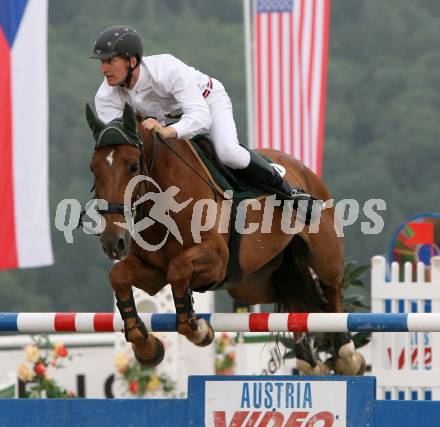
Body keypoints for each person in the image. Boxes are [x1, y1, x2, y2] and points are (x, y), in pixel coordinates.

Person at [90, 25, 317, 208]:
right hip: (167, 121)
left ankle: (287, 188)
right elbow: (122, 145)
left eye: (110, 61)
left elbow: (200, 117)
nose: (104, 69)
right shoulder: (105, 97)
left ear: (132, 61)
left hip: (207, 103)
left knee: (229, 154)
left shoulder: (167, 70)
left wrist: (167, 131)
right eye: (102, 62)